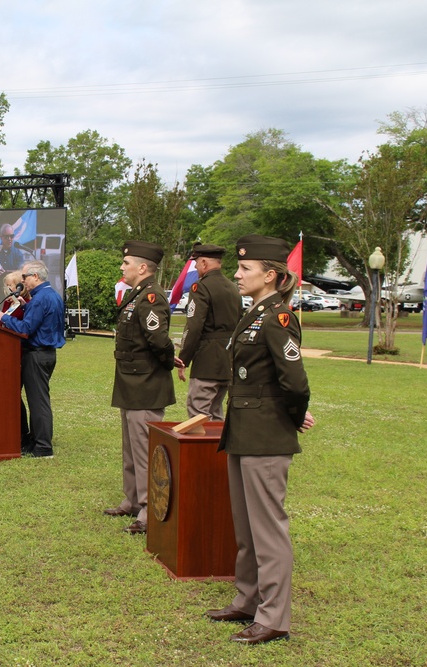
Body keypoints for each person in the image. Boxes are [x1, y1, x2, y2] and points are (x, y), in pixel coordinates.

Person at [205, 234, 315, 645]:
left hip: (266, 436)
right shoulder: (252, 314)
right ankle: (248, 599)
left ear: (270, 276)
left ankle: (274, 617)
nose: (237, 273)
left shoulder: (278, 317)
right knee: (246, 528)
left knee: (268, 529)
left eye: (245, 269)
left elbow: (295, 382)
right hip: (244, 431)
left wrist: (293, 418)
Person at [103, 241, 176, 534]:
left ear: (143, 268)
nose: (122, 267)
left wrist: (170, 361)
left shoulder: (151, 297)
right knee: (131, 447)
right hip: (131, 382)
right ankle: (132, 499)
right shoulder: (137, 295)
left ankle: (148, 509)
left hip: (146, 383)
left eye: (127, 263)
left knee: (145, 449)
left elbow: (158, 340)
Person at [0, 260, 66, 457]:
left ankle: (43, 446)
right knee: (37, 399)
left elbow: (26, 329)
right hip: (45, 352)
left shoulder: (41, 298)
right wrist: (25, 308)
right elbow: (41, 321)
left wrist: (4, 317)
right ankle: (35, 441)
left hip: (37, 353)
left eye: (24, 277)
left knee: (38, 401)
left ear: (35, 276)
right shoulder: (50, 295)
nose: (22, 280)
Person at [174, 243, 242, 420]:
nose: (196, 268)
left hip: (207, 360)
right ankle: (215, 449)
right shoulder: (233, 288)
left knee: (199, 413)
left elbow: (194, 326)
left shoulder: (201, 287)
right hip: (228, 358)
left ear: (204, 263)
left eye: (196, 263)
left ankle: (202, 449)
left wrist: (184, 359)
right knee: (216, 413)